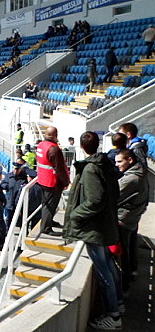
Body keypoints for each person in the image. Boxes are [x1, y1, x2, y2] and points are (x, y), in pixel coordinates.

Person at [63, 131, 123, 330]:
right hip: (104, 225)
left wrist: (75, 215)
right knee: (109, 264)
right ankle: (119, 306)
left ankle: (113, 316)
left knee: (104, 270)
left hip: (95, 229)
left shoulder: (90, 169)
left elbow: (94, 200)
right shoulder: (105, 163)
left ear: (81, 146)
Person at [114, 149, 148, 294]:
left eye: (120, 161)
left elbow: (112, 195)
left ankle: (123, 289)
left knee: (122, 257)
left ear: (130, 160)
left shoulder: (131, 179)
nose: (117, 165)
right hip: (131, 219)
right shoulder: (141, 174)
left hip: (123, 221)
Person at [36, 127, 70, 236]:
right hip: (52, 182)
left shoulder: (41, 145)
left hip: (43, 179)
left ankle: (49, 221)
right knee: (50, 205)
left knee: (46, 203)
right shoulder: (54, 149)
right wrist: (65, 182)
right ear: (55, 135)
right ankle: (46, 228)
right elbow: (59, 168)